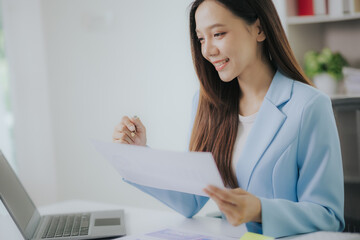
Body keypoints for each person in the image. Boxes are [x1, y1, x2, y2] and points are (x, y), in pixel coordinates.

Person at [112, 0, 344, 238]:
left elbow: (328, 217)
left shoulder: (309, 106)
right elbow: (191, 199)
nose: (207, 50)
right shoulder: (207, 103)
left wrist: (261, 210)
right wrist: (138, 155)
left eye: (218, 34)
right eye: (201, 38)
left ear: (259, 29)